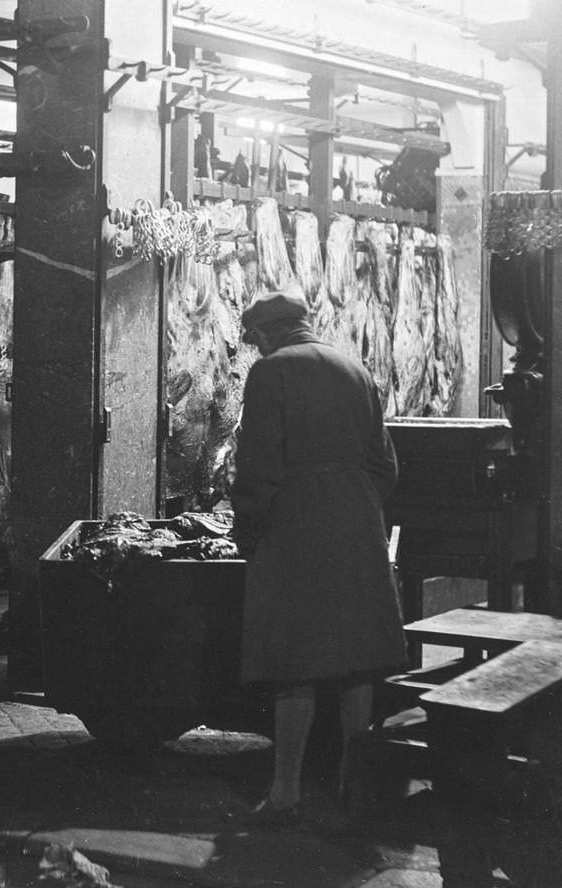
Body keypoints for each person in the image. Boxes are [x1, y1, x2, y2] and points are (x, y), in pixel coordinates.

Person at [227, 288, 406, 827]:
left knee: (293, 663)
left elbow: (259, 465)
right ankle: (356, 780)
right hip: (357, 523)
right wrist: (354, 501)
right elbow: (386, 465)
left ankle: (285, 792)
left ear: (268, 332)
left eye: (256, 338)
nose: (256, 347)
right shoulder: (355, 368)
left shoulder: (271, 373)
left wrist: (249, 525)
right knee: (357, 660)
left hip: (295, 526)